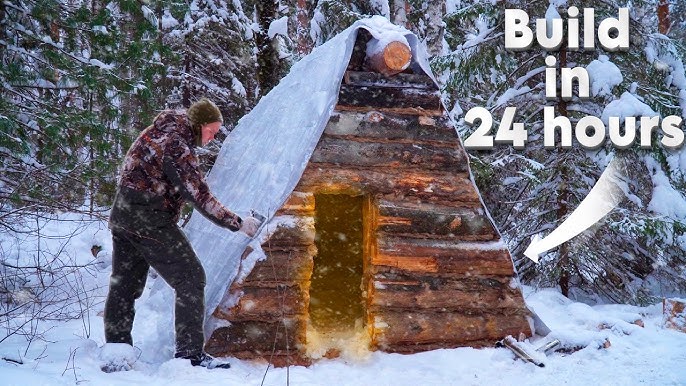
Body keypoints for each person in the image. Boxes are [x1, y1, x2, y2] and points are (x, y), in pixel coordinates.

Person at [105, 98, 260, 369]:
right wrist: (237, 223)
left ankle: (116, 350)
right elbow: (197, 194)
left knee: (125, 285)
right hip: (148, 218)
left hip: (123, 216)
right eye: (211, 130)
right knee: (191, 277)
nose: (212, 137)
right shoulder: (176, 143)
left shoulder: (158, 132)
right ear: (197, 124)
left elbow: (131, 173)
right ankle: (190, 355)